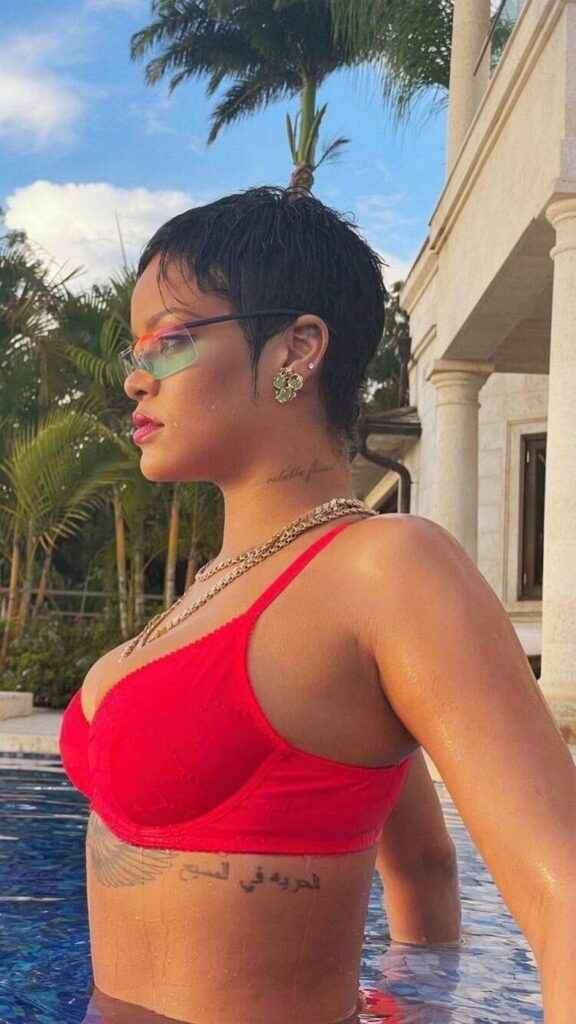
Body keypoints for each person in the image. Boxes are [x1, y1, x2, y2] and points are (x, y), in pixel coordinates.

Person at [60, 186, 576, 1024]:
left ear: (297, 348)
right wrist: (417, 999)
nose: (135, 375)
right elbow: (421, 865)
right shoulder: (218, 589)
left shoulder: (387, 569)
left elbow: (564, 896)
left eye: (170, 341)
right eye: (137, 347)